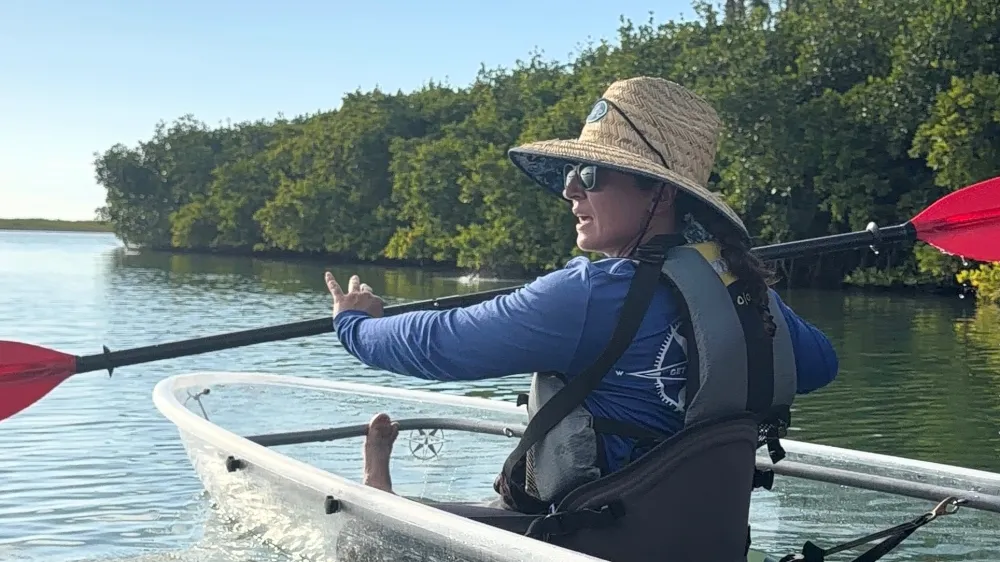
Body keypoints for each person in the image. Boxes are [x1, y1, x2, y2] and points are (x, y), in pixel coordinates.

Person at [325, 77, 839, 507]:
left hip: (586, 537)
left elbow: (441, 343)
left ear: (659, 192)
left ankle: (378, 490)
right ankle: (380, 486)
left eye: (590, 174)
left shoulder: (588, 295)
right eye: (572, 174)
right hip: (703, 540)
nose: (571, 190)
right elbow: (820, 364)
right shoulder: (747, 294)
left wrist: (355, 325)